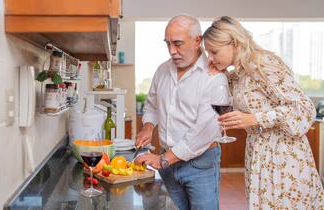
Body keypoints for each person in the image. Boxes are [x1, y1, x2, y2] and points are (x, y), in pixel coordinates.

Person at [203, 16, 324, 209]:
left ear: (234, 43)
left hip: (283, 156)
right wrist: (220, 75)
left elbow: (303, 108)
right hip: (258, 154)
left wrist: (254, 119)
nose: (210, 58)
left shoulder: (264, 63)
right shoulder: (240, 73)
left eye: (214, 52)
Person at [134, 14, 230, 210]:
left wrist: (162, 160)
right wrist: (148, 127)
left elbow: (204, 132)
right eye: (167, 44)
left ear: (197, 41)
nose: (172, 51)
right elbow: (152, 104)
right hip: (168, 164)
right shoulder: (162, 71)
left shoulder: (215, 77)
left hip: (199, 164)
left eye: (178, 43)